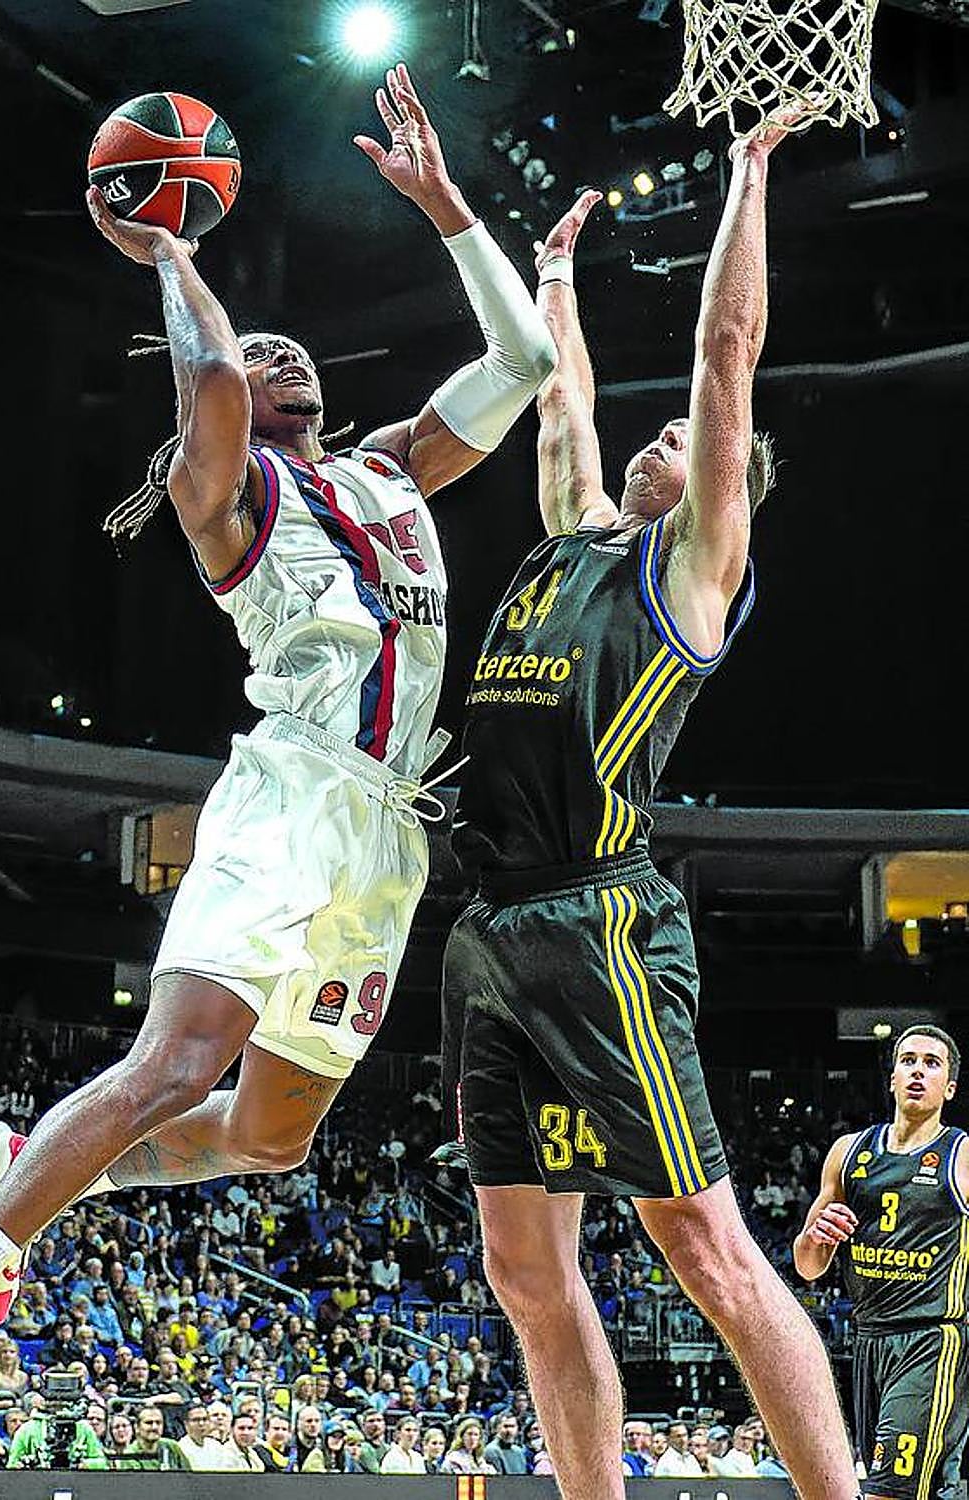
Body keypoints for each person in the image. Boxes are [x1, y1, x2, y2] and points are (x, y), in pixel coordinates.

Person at [0, 62, 554, 1474]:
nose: (280, 358)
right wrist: (171, 248)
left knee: (270, 1138)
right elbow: (210, 371)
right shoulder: (224, 498)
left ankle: (25, 1168)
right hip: (288, 800)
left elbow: (522, 364)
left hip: (390, 840)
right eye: (264, 351)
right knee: (173, 1066)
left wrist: (451, 208)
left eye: (294, 351)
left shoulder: (395, 469)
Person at [438, 101, 866, 1500]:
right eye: (664, 436)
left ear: (720, 494)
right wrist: (553, 276)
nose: (664, 439)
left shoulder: (686, 577)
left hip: (598, 922)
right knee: (523, 1270)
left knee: (705, 1248)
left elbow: (725, 353)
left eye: (689, 444)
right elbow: (563, 405)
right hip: (490, 929)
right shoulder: (573, 544)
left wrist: (747, 178)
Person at [794, 1025, 969, 1500]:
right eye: (908, 1060)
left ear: (949, 1088)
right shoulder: (848, 1152)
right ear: (891, 1077)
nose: (918, 1070)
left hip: (932, 1338)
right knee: (917, 1489)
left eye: (932, 1063)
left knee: (887, 1492)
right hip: (868, 1341)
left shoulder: (962, 1155)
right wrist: (817, 1235)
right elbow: (807, 1265)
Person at [109, 1404, 188, 1472]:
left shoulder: (172, 1446)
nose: (154, 1427)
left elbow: (189, 1476)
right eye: (149, 1423)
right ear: (137, 1427)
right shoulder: (130, 1455)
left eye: (158, 1423)